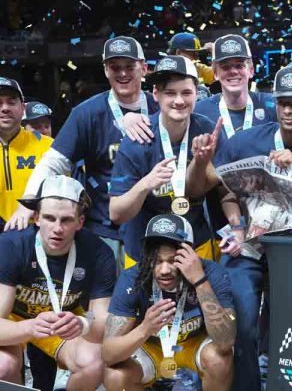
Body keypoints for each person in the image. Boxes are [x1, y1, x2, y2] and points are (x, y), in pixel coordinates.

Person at [186, 63, 292, 391]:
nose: (287, 110)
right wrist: (200, 161)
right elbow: (200, 189)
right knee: (242, 327)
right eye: (282, 102)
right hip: (251, 248)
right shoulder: (247, 141)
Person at [6, 36, 159, 271]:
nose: (123, 73)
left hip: (155, 226)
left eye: (130, 66)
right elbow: (53, 163)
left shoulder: (160, 107)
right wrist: (28, 202)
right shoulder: (87, 113)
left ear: (144, 68)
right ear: (106, 70)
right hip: (106, 232)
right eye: (115, 67)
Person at [0, 175, 116, 389]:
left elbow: (104, 322)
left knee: (95, 362)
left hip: (66, 320)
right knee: (3, 365)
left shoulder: (100, 254)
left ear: (80, 222)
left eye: (66, 220)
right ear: (36, 217)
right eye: (50, 218)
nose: (57, 228)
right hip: (15, 321)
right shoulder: (11, 245)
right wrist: (29, 327)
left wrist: (83, 324)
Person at [109, 55, 221, 268]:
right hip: (145, 249)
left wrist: (199, 162)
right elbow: (116, 214)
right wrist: (145, 184)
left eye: (186, 92)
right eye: (170, 93)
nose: (179, 100)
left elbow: (196, 192)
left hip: (195, 245)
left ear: (197, 94)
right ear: (155, 94)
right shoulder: (137, 139)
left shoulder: (207, 130)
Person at [102, 214, 235, 390]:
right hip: (151, 347)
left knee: (220, 361)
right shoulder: (132, 278)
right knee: (115, 375)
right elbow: (108, 354)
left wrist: (200, 281)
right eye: (157, 261)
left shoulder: (212, 273)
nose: (164, 270)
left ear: (190, 255)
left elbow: (226, 343)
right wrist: (145, 328)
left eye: (173, 261)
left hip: (194, 344)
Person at [193, 34, 277, 239]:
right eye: (225, 66)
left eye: (239, 65)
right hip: (219, 222)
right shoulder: (199, 110)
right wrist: (131, 117)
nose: (233, 71)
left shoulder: (272, 106)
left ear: (251, 69)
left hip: (272, 219)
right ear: (214, 72)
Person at [0, 78, 53, 231]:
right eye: (0, 103)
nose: (5, 108)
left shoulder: (48, 147)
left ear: (22, 108)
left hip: (37, 235)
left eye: (11, 102)